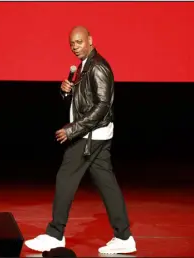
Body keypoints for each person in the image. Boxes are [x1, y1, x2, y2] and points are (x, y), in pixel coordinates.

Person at [25, 26, 136, 254]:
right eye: (72, 44)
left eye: (79, 42)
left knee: (65, 177)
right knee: (107, 185)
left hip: (90, 136)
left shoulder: (98, 67)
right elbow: (84, 101)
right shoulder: (84, 68)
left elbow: (102, 107)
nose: (75, 47)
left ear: (90, 40)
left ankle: (55, 234)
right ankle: (124, 236)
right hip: (95, 134)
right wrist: (68, 91)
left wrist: (72, 129)